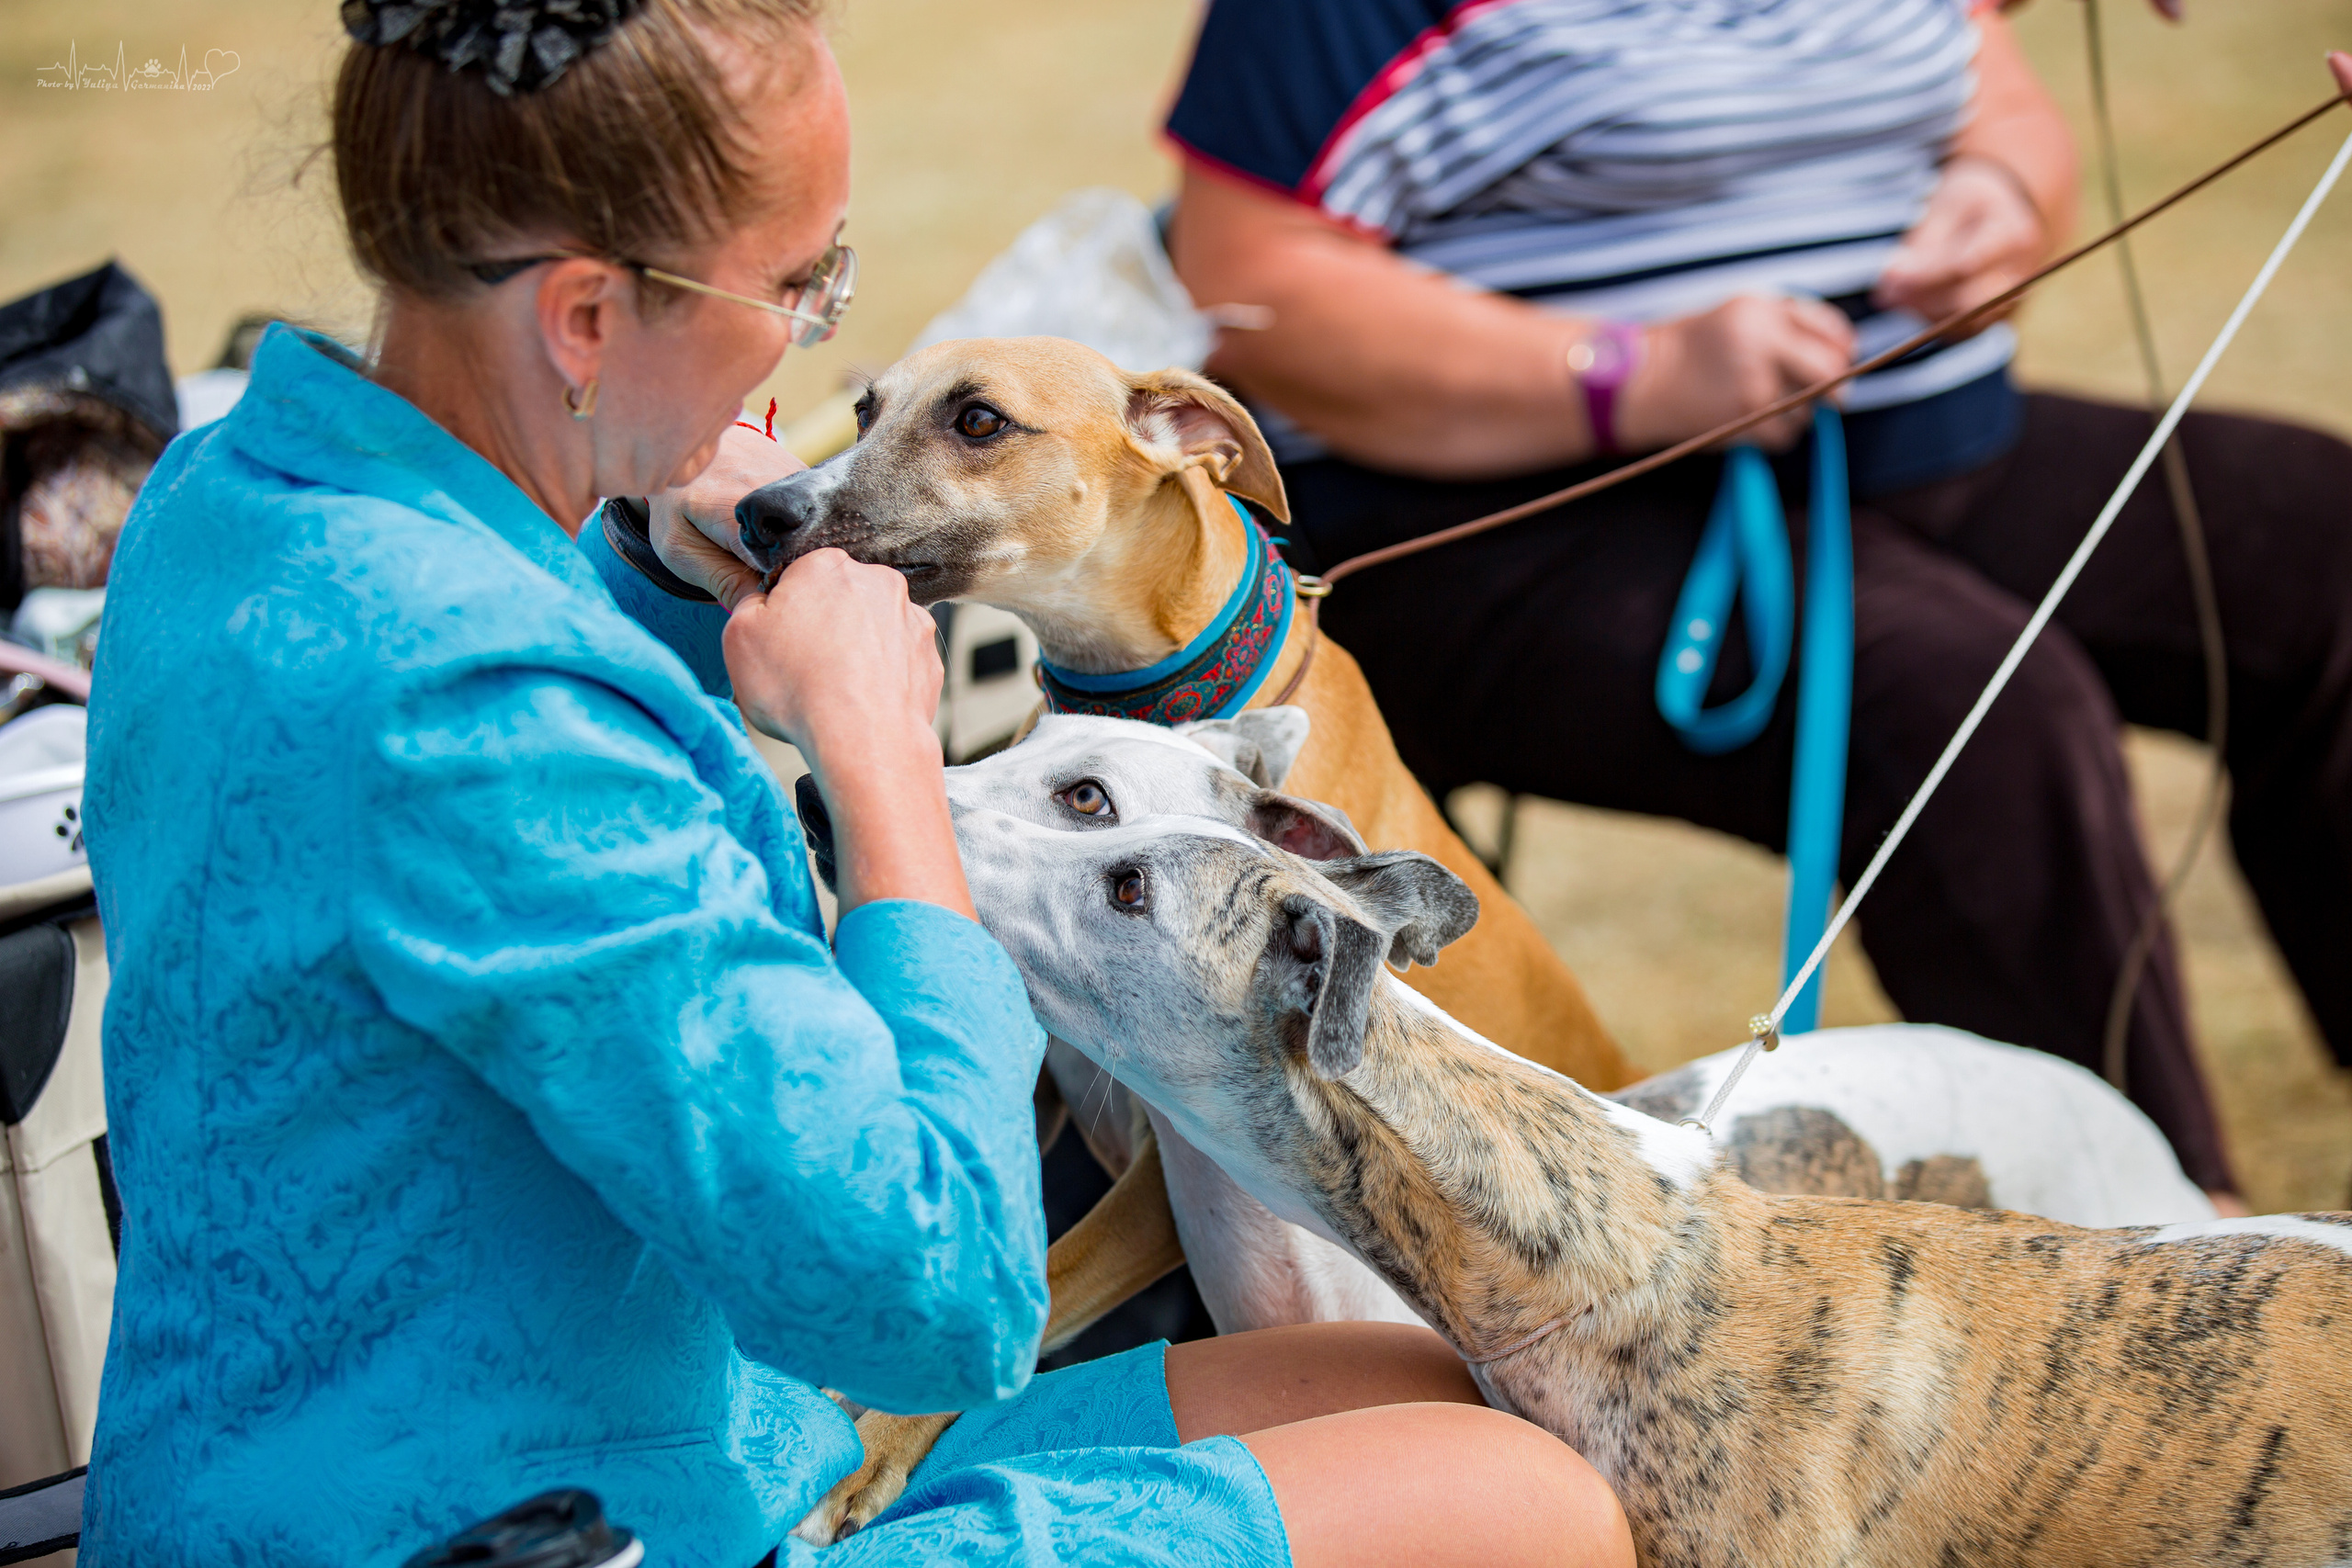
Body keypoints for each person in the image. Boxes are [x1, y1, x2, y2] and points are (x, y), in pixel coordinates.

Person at [77, 3, 1633, 1564]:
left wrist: (639, 557)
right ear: (586, 318)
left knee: (1414, 1381)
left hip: (380, 1444)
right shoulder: (486, 719)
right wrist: (889, 770)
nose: (804, 338)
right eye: (799, 284)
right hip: (542, 1524)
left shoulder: (229, 494)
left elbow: (479, 817)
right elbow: (936, 1302)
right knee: (1536, 1500)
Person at [1166, 0, 2352, 1208]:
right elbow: (1249, 280)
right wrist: (1630, 374)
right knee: (1974, 704)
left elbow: (1982, 82)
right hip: (1514, 516)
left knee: (2320, 536)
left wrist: (2005, 188)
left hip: (1916, 450)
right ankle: (2167, 1250)